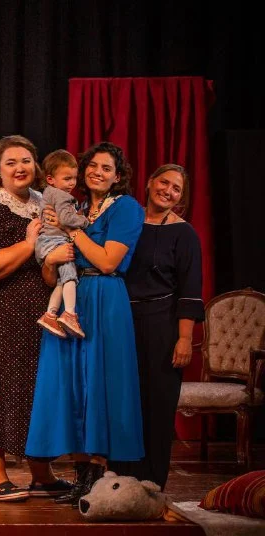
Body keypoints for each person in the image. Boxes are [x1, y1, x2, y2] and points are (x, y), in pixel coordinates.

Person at [26, 141, 145, 507]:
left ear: (118, 176)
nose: (97, 172)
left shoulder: (126, 208)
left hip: (105, 298)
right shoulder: (74, 206)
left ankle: (97, 475)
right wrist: (51, 258)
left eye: (106, 168)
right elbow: (51, 275)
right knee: (72, 384)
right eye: (92, 166)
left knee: (99, 382)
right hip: (72, 296)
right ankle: (79, 475)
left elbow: (108, 262)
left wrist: (71, 231)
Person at [0, 135, 72, 502]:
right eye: (11, 162)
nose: (20, 168)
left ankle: (41, 472)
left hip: (36, 313)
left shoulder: (44, 203)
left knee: (34, 390)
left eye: (25, 161)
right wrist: (29, 243)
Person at [109, 164, 203, 490]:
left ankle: (150, 484)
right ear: (150, 183)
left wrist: (184, 338)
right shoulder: (127, 222)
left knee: (157, 405)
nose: (169, 191)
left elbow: (190, 291)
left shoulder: (184, 234)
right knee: (122, 403)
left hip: (162, 324)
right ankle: (117, 480)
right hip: (121, 320)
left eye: (177, 188)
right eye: (164, 182)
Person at [35, 150, 89, 339]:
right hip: (55, 242)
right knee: (70, 277)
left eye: (74, 178)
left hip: (45, 243)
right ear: (50, 179)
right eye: (67, 179)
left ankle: (50, 315)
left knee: (61, 280)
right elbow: (65, 219)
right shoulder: (61, 196)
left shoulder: (48, 193)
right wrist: (84, 221)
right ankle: (70, 314)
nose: (72, 183)